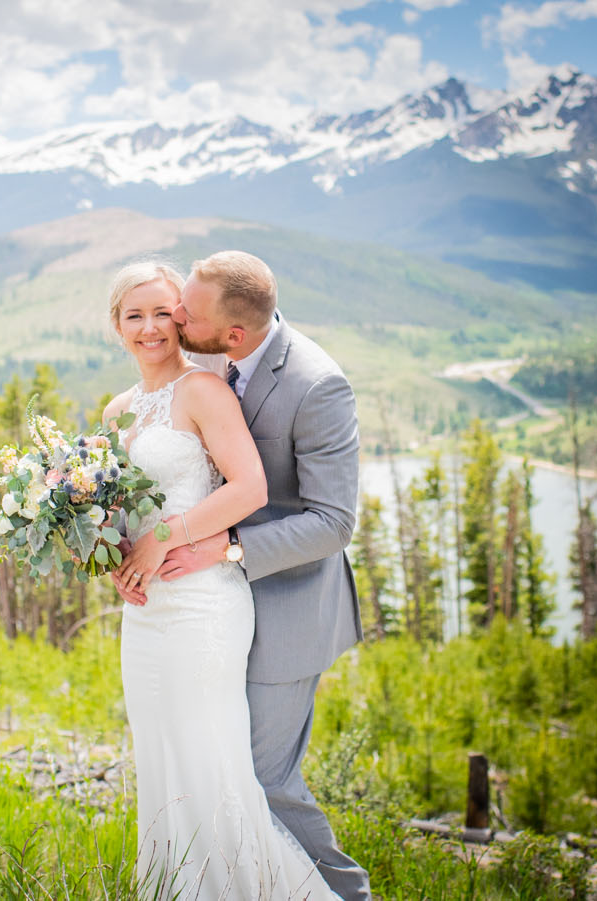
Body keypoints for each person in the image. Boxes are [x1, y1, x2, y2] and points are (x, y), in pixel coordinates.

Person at [117, 251, 370, 901]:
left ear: (232, 333)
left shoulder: (316, 384)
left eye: (181, 312)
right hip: (186, 600)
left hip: (285, 604)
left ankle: (343, 895)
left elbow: (334, 522)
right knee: (188, 764)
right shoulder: (203, 368)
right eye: (142, 313)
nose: (170, 319)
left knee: (260, 779)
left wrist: (223, 547)